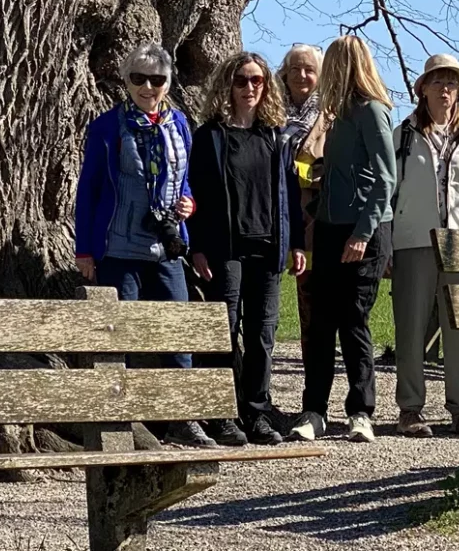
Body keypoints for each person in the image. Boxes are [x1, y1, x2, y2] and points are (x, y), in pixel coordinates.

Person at [74, 42, 216, 448]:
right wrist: (85, 249)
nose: (148, 87)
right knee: (122, 337)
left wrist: (188, 202)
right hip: (118, 250)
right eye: (139, 78)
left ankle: (181, 419)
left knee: (176, 333)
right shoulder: (107, 127)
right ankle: (125, 421)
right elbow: (89, 190)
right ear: (126, 81)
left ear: (168, 82)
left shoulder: (179, 124)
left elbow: (184, 180)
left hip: (166, 250)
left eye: (157, 79)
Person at [187, 52, 307, 446]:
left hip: (267, 249)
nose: (250, 88)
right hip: (224, 250)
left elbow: (290, 194)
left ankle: (256, 412)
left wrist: (297, 243)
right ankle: (220, 414)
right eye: (241, 80)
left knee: (262, 335)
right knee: (223, 331)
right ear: (228, 85)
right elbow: (196, 195)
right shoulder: (210, 136)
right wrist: (198, 247)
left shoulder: (275, 135)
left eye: (257, 80)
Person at [287, 36, 396, 443]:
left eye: (330, 66)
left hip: (364, 231)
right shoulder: (336, 115)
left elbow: (386, 179)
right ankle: (314, 410)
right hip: (331, 229)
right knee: (320, 323)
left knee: (353, 319)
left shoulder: (373, 111)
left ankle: (360, 412)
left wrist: (362, 233)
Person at [391, 54, 459, 438]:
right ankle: (410, 410)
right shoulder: (404, 133)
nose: (444, 89)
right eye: (436, 82)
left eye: (451, 83)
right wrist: (388, 239)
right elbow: (391, 191)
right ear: (422, 89)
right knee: (411, 329)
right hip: (413, 240)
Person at [276, 44, 328, 371]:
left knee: (312, 301)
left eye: (309, 69)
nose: (301, 75)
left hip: (311, 217)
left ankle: (315, 378)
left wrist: (301, 172)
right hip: (272, 213)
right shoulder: (270, 109)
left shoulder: (330, 113)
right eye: (295, 68)